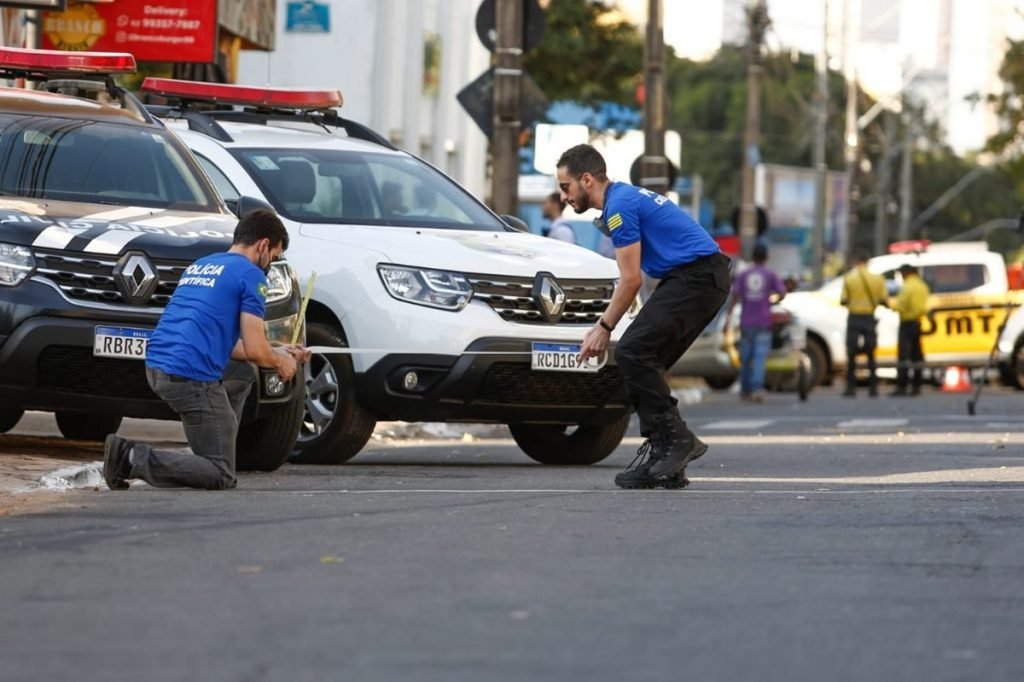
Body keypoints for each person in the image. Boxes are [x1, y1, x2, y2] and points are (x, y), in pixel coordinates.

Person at [557, 144, 731, 490]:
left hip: (696, 278)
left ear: (587, 180)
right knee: (644, 360)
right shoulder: (622, 199)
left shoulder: (619, 206)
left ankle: (676, 441)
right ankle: (667, 457)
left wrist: (602, 328)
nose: (563, 196)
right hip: (700, 278)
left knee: (633, 351)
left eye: (566, 186)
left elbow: (632, 279)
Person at [103, 209, 309, 491]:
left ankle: (214, 442)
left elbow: (237, 347)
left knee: (243, 372)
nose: (270, 264)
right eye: (273, 256)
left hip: (158, 365)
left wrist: (279, 350)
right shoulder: (251, 275)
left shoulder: (203, 264)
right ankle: (130, 457)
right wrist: (282, 363)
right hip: (189, 376)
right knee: (220, 474)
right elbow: (259, 352)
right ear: (263, 245)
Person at [726, 242, 787, 402]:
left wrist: (728, 318)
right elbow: (782, 293)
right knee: (760, 357)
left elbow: (735, 296)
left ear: (753, 256)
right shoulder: (770, 274)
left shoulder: (744, 274)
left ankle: (745, 390)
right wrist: (770, 300)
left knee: (746, 358)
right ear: (766, 256)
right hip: (763, 321)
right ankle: (756, 389)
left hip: (746, 321)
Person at [840, 251, 887, 397]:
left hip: (854, 318)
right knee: (871, 354)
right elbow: (883, 300)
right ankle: (873, 388)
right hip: (869, 318)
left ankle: (851, 388)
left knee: (852, 353)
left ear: (856, 262)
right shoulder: (877, 279)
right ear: (868, 262)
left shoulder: (849, 278)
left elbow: (843, 300)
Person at [890, 263, 930, 396]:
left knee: (903, 357)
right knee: (917, 356)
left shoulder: (907, 286)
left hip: (907, 323)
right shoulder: (922, 286)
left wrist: (889, 304)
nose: (901, 275)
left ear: (907, 272)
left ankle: (902, 386)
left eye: (902, 273)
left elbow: (901, 305)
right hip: (917, 322)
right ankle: (916, 386)